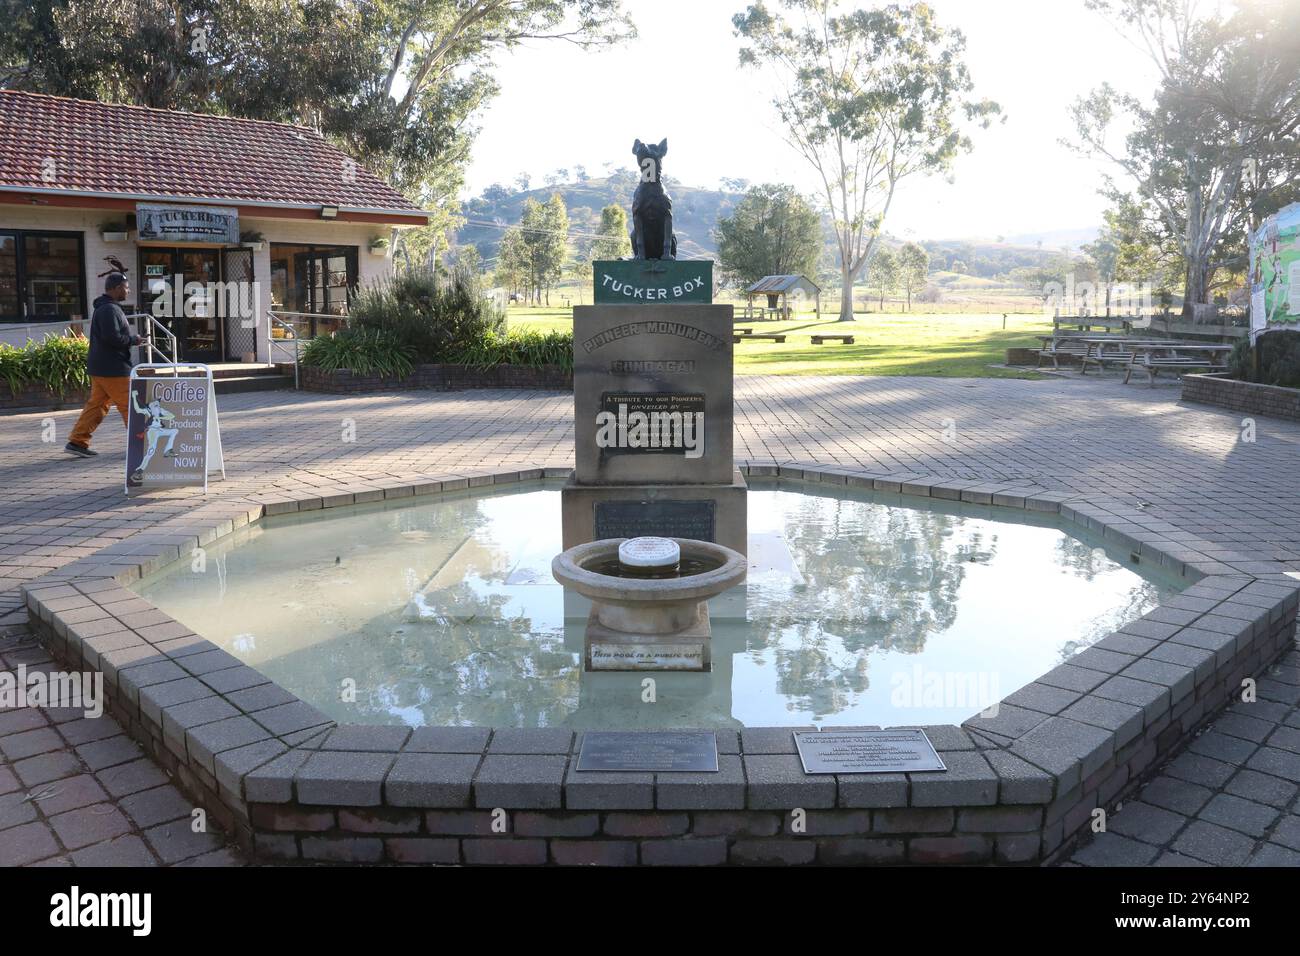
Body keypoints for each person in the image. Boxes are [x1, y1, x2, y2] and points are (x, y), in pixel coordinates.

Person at [65, 273, 147, 457]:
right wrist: (134, 339)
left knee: (97, 405)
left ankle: (77, 440)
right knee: (132, 405)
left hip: (101, 367)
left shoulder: (105, 308)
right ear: (117, 288)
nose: (128, 290)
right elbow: (113, 338)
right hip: (114, 368)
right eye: (126, 287)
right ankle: (142, 445)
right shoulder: (109, 310)